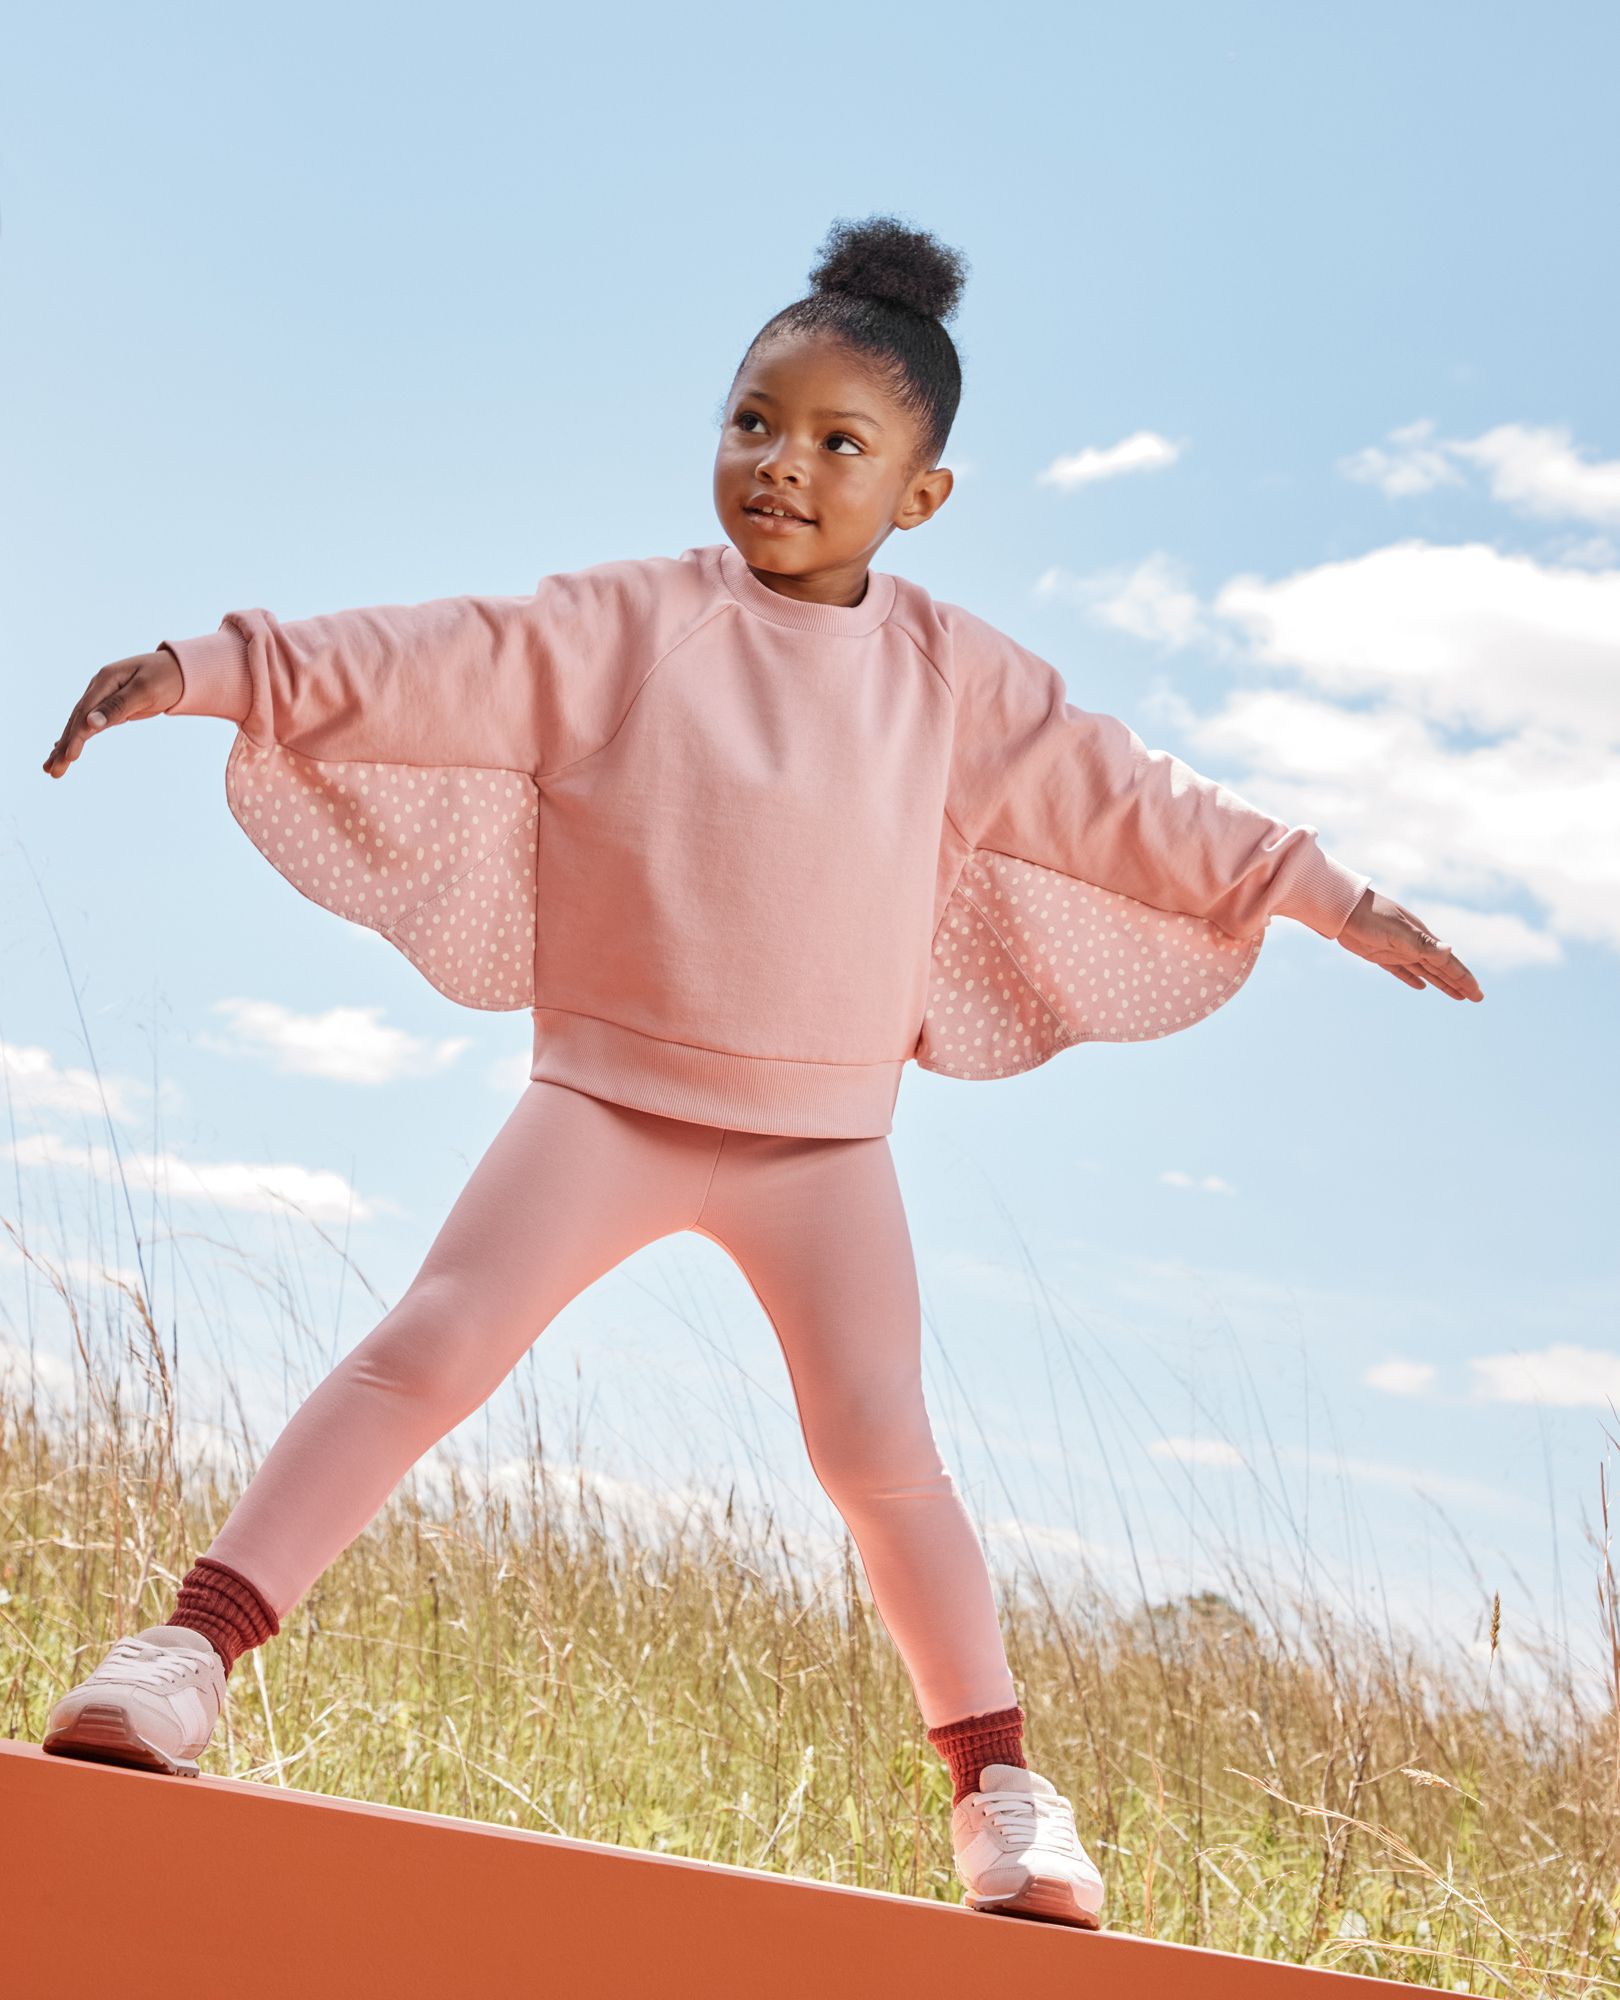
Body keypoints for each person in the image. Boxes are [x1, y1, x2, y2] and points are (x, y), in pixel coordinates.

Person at [36, 213, 1482, 1929]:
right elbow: (433, 655)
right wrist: (206, 671)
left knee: (883, 1454)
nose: (781, 465)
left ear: (922, 496)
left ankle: (1005, 1794)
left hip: (821, 1153)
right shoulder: (635, 623)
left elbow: (1135, 802)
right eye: (751, 422)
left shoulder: (958, 683)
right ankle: (187, 1654)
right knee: (426, 1348)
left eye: (836, 444)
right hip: (605, 1107)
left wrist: (1325, 894)